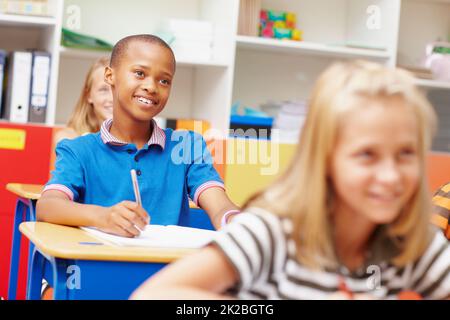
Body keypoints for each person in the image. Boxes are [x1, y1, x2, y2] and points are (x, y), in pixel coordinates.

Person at [130, 60, 450, 300]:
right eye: (367, 155)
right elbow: (154, 296)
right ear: (324, 160)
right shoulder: (275, 231)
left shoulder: (409, 240)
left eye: (406, 154)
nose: (391, 175)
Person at [37, 34, 239, 240]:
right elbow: (47, 206)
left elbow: (219, 204)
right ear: (110, 76)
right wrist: (103, 216)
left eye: (164, 80)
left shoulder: (187, 145)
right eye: (140, 73)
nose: (151, 87)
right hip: (101, 267)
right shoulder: (77, 150)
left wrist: (233, 218)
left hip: (169, 267)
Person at [54, 56, 113, 144]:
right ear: (88, 95)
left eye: (117, 89)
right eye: (103, 90)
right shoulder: (68, 138)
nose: (112, 98)